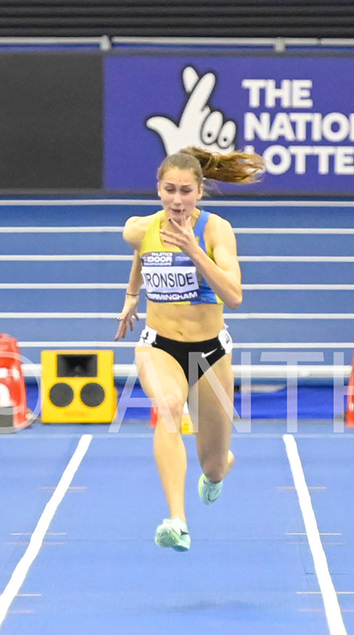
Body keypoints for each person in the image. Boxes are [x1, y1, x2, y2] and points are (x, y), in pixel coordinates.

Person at [115, 146, 264, 551]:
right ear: (159, 190)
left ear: (199, 192)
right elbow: (141, 250)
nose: (176, 200)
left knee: (213, 465)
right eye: (168, 190)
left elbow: (234, 296)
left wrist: (193, 249)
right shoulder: (139, 227)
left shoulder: (216, 230)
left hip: (210, 352)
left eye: (185, 191)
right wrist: (132, 295)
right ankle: (176, 521)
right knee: (167, 409)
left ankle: (219, 471)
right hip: (159, 346)